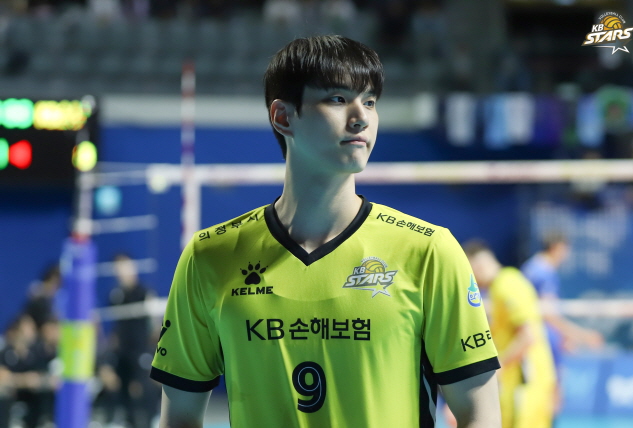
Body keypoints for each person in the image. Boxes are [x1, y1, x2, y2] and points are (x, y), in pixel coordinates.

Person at [151, 35, 501, 428]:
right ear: (283, 117)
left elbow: (481, 415)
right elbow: (179, 420)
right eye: (337, 99)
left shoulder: (428, 251)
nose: (361, 117)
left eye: (370, 101)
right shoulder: (209, 256)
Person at [463, 240, 556, 428]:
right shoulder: (499, 286)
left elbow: (528, 336)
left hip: (526, 383)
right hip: (517, 384)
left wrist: (498, 367)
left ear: (477, 265)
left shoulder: (508, 284)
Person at [520, 232, 603, 419]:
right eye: (566, 250)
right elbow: (549, 315)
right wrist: (581, 336)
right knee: (552, 397)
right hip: (542, 341)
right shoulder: (544, 272)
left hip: (533, 337)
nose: (566, 255)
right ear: (557, 248)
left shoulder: (530, 267)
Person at [109, 253, 158, 428]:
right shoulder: (115, 295)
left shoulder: (144, 293)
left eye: (124, 266)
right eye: (118, 268)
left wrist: (153, 349)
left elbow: (155, 324)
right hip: (123, 352)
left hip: (141, 350)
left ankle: (152, 421)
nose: (121, 271)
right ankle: (129, 422)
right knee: (121, 388)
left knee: (144, 387)